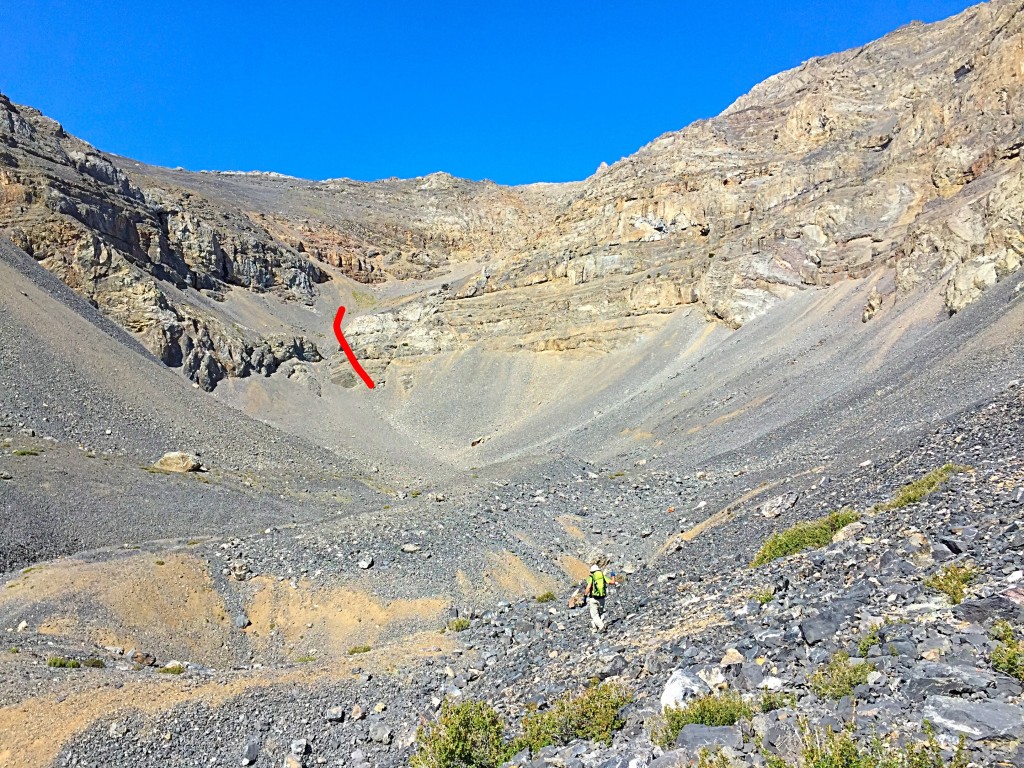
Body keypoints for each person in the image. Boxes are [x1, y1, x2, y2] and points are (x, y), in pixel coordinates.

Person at [585, 564, 608, 633]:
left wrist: (585, 596)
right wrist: (613, 575)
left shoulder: (591, 577)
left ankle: (601, 626)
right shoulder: (602, 576)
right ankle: (595, 628)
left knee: (594, 615)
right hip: (602, 598)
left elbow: (588, 587)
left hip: (593, 598)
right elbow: (612, 582)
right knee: (600, 613)